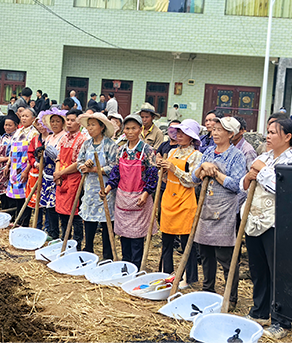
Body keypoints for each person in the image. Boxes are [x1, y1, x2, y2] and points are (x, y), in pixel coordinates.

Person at [241, 118, 292, 339]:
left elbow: (284, 188)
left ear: (287, 137)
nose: (267, 136)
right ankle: (260, 311)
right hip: (254, 221)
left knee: (278, 273)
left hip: (277, 223)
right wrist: (250, 175)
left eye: (273, 133)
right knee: (258, 270)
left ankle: (281, 321)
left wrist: (262, 170)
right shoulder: (264, 156)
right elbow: (245, 184)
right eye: (267, 132)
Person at [191, 116, 247, 310]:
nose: (214, 133)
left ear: (230, 134)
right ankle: (208, 291)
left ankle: (230, 298)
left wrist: (216, 173)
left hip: (225, 211)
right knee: (206, 254)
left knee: (226, 257)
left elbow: (238, 185)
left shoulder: (236, 156)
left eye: (219, 130)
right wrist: (203, 167)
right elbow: (194, 178)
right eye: (213, 129)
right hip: (206, 208)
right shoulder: (207, 152)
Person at [101, 114, 159, 269]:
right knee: (124, 237)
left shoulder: (147, 151)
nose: (130, 131)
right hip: (122, 199)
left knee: (137, 238)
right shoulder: (121, 150)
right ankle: (126, 266)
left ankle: (136, 267)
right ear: (123, 130)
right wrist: (107, 189)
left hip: (140, 199)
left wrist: (146, 194)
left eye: (134, 128)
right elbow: (116, 173)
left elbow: (153, 175)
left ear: (140, 130)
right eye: (127, 128)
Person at [156, 119, 203, 288]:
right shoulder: (171, 152)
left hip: (185, 200)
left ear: (192, 137)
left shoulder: (197, 155)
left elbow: (193, 181)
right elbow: (165, 176)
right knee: (166, 239)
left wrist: (173, 168)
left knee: (186, 241)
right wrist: (161, 168)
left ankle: (188, 277)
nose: (180, 135)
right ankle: (166, 272)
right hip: (169, 197)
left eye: (184, 133)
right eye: (178, 132)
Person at [76, 112, 118, 260]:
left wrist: (94, 169)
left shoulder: (110, 145)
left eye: (93, 125)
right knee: (88, 218)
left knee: (106, 219)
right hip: (89, 187)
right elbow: (79, 162)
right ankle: (88, 249)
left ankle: (108, 254)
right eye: (88, 125)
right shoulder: (86, 144)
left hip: (105, 187)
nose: (90, 128)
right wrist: (84, 166)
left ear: (102, 127)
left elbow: (114, 168)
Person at [54, 109, 87, 248]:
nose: (69, 123)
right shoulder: (64, 138)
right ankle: (64, 240)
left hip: (75, 180)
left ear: (79, 122)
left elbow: (79, 163)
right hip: (62, 179)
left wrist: (61, 173)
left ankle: (77, 243)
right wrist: (57, 174)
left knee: (75, 214)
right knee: (62, 212)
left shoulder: (83, 139)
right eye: (67, 120)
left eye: (72, 120)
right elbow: (58, 157)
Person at [5, 107, 39, 226]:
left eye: (27, 116)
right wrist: (8, 165)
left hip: (25, 168)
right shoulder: (18, 131)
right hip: (14, 167)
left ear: (33, 119)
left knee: (24, 196)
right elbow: (11, 151)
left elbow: (33, 154)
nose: (24, 118)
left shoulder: (34, 133)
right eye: (22, 116)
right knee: (13, 195)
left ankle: (23, 222)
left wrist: (26, 170)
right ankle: (14, 220)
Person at [38, 108, 67, 239]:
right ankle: (50, 230)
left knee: (56, 205)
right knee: (47, 206)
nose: (55, 124)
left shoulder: (64, 137)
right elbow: (44, 156)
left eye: (58, 121)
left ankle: (57, 234)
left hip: (57, 173)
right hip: (46, 174)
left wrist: (47, 149)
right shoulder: (49, 137)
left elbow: (60, 156)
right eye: (53, 121)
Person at [0, 112, 19, 210]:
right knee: (2, 194)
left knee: (9, 192)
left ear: (16, 126)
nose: (7, 127)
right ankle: (4, 210)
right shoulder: (3, 137)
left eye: (10, 125)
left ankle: (11, 213)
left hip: (10, 168)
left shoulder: (17, 138)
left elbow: (15, 154)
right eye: (6, 125)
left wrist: (3, 159)